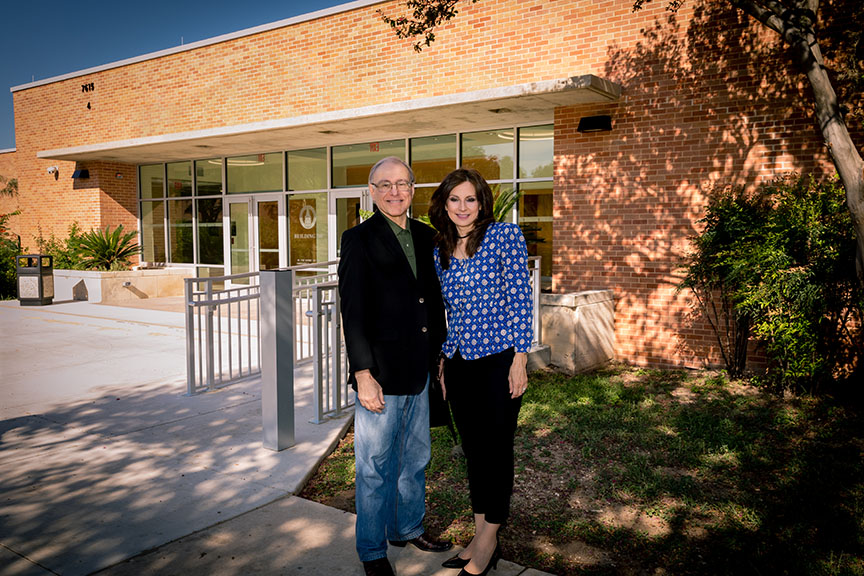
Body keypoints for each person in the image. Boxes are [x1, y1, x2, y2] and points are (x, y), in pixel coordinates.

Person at [338, 156, 452, 576]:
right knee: (374, 467)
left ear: (413, 189)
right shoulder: (358, 239)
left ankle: (408, 527)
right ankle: (371, 550)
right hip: (381, 377)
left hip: (421, 372)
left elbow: (434, 303)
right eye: (384, 184)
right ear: (371, 191)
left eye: (402, 184)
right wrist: (362, 374)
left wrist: (440, 358)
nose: (394, 191)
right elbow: (352, 313)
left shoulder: (428, 237)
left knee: (416, 458)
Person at [429, 168, 533, 576]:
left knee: (496, 451)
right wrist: (442, 360)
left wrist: (520, 359)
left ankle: (489, 540)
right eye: (454, 199)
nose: (462, 207)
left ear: (482, 202)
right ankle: (477, 535)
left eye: (470, 199)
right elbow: (448, 312)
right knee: (473, 453)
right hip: (458, 365)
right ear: (445, 204)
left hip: (499, 362)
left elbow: (521, 300)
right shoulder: (440, 247)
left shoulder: (504, 236)